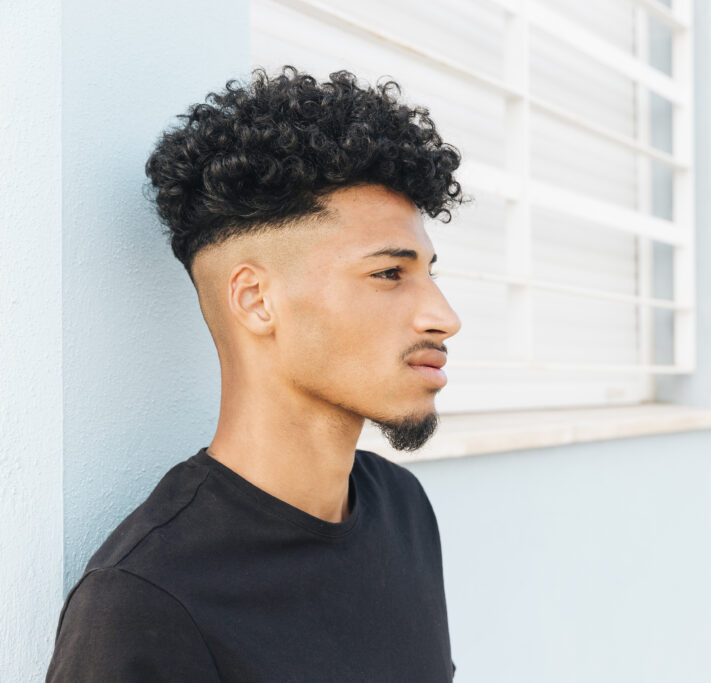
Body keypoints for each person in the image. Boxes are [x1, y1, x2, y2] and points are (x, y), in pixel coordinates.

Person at [46, 65, 463, 682]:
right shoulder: (147, 598)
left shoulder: (401, 509)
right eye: (388, 274)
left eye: (431, 272)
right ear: (255, 300)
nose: (444, 317)